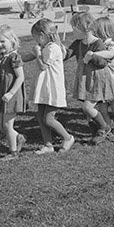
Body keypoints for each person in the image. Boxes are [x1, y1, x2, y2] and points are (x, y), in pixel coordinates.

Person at [27, 17, 73, 154]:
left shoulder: (52, 48)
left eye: (35, 37)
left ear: (42, 35)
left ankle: (68, 137)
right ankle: (48, 145)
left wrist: (37, 53)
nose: (35, 40)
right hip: (44, 88)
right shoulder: (45, 47)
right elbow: (30, 57)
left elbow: (43, 66)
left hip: (52, 89)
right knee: (41, 117)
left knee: (49, 118)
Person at [66, 11, 110, 142]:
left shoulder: (98, 43)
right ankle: (95, 133)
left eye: (75, 27)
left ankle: (104, 127)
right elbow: (66, 54)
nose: (72, 30)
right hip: (84, 80)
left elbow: (103, 63)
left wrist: (93, 56)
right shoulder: (78, 43)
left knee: (87, 107)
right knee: (87, 111)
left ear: (85, 28)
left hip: (95, 80)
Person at [0, 24, 27, 158]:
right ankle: (18, 137)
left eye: (3, 41)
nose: (0, 44)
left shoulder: (14, 57)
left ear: (12, 41)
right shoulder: (2, 56)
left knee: (7, 124)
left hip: (11, 95)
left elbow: (20, 77)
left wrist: (11, 93)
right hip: (1, 94)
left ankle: (13, 152)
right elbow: (0, 75)